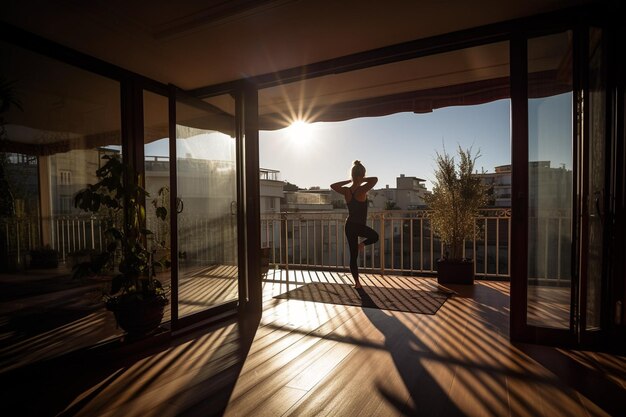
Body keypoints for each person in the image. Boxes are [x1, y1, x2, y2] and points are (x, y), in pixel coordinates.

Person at [331, 160, 379, 288]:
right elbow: (375, 179)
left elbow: (333, 185)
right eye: (363, 175)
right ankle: (362, 245)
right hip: (358, 226)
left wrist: (350, 181)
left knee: (353, 256)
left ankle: (357, 283)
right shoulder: (362, 189)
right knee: (375, 237)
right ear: (362, 175)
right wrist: (360, 179)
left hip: (350, 225)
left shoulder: (347, 191)